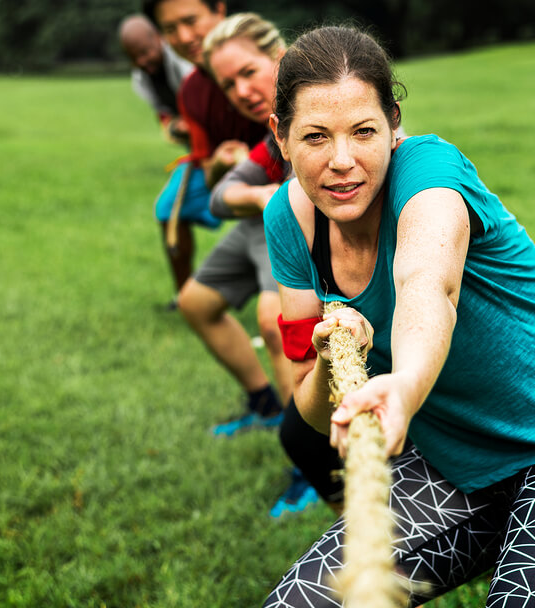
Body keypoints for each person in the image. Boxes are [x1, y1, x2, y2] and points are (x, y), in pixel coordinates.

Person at [261, 25, 535, 607]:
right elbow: (313, 413)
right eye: (316, 136)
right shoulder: (290, 223)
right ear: (282, 136)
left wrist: (405, 387)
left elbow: (429, 285)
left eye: (363, 132)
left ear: (394, 126)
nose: (342, 162)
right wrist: (326, 360)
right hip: (455, 459)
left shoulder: (429, 173)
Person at [185, 13, 342, 517]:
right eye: (228, 83)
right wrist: (256, 192)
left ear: (278, 56)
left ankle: (310, 457)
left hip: (308, 225)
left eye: (248, 72)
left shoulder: (322, 104)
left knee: (275, 326)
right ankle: (266, 406)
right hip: (267, 217)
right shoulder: (270, 132)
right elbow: (218, 198)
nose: (240, 90)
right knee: (195, 302)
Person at [143, 0, 265, 308]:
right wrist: (223, 165)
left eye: (191, 20)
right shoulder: (191, 91)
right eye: (170, 29)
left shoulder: (267, 58)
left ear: (219, 10)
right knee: (168, 207)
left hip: (292, 178)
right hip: (239, 175)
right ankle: (184, 294)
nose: (184, 37)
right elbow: (208, 166)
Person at [118, 14, 193, 147]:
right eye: (133, 58)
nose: (141, 61)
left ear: (158, 38)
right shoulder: (140, 79)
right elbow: (164, 117)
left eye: (144, 52)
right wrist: (175, 127)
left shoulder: (184, 60)